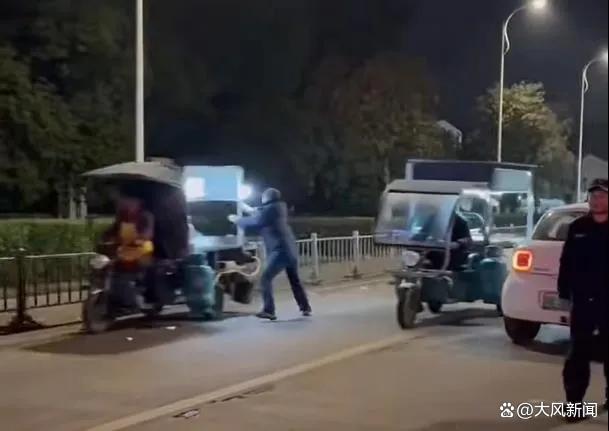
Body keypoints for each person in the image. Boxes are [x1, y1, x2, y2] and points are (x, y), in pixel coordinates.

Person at [558, 178, 608, 422]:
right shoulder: (578, 227)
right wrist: (563, 293)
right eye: (593, 196)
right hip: (583, 301)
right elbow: (566, 262)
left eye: (602, 196)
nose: (597, 200)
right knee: (577, 354)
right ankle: (574, 405)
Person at [228, 188, 311, 321]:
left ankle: (269, 310)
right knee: (295, 281)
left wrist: (237, 220)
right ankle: (305, 307)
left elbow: (256, 221)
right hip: (290, 250)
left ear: (267, 197)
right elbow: (257, 213)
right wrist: (243, 206)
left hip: (280, 251)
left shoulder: (271, 210)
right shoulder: (278, 208)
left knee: (265, 279)